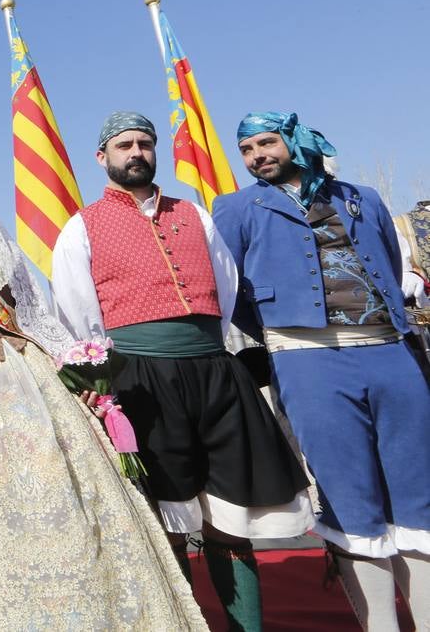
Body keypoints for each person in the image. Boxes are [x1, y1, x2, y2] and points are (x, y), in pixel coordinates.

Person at [0, 160, 204, 630]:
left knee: (53, 474)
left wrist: (83, 373)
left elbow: (33, 314)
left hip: (23, 368)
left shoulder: (2, 246)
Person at [51, 112, 312, 632]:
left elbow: (226, 286)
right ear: (102, 158)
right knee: (164, 519)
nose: (137, 152)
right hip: (141, 382)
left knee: (231, 519)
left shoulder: (196, 214)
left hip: (214, 373)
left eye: (145, 144)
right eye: (124, 145)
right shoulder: (81, 227)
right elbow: (77, 313)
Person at [213, 112, 430, 630]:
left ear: (293, 140)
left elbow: (392, 270)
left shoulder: (362, 198)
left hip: (390, 352)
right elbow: (231, 290)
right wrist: (283, 327)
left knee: (418, 492)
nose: (256, 155)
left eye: (267, 142)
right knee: (347, 493)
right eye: (246, 148)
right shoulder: (236, 208)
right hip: (306, 362)